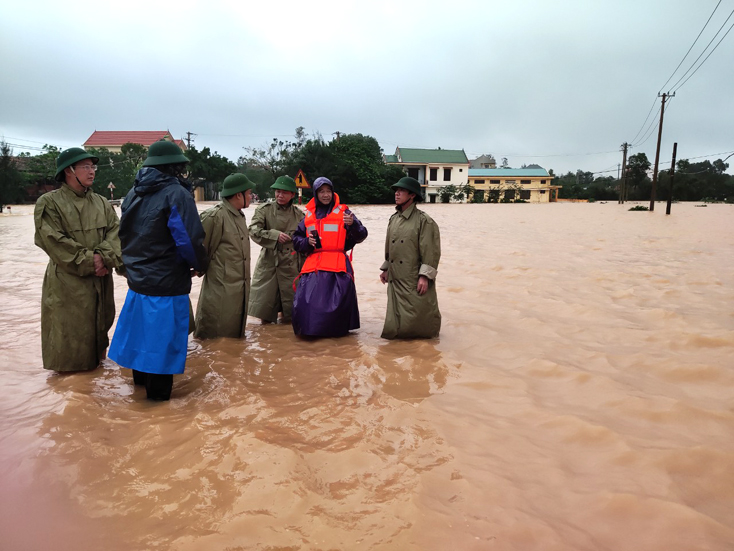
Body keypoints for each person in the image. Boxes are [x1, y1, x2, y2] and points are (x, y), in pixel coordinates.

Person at [108, 141, 208, 401]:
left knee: (141, 343)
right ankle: (158, 408)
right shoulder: (176, 194)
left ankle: (140, 403)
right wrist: (200, 264)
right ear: (173, 167)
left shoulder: (133, 193)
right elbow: (188, 238)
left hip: (138, 282)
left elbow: (124, 235)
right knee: (162, 349)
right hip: (166, 283)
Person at [33, 147, 123, 372]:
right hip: (68, 285)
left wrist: (104, 257)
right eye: (86, 166)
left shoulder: (102, 203)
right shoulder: (49, 203)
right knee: (69, 347)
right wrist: (92, 262)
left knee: (100, 337)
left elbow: (117, 234)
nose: (92, 171)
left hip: (101, 283)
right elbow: (53, 241)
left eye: (93, 166)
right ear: (69, 171)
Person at [291, 177, 367, 337]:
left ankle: (335, 335)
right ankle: (309, 332)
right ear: (316, 194)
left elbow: (361, 235)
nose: (325, 195)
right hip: (314, 265)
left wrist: (353, 224)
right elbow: (296, 240)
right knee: (306, 301)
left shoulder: (346, 213)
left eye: (328, 191)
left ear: (333, 193)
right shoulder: (308, 216)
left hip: (337, 266)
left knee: (338, 303)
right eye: (321, 192)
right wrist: (306, 241)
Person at [380, 177, 441, 339]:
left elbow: (431, 251)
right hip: (395, 276)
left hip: (412, 276)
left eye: (401, 191)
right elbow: (390, 247)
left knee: (418, 315)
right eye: (396, 191)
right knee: (395, 317)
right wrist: (386, 268)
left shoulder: (424, 221)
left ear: (412, 195)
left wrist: (425, 276)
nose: (397, 194)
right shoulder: (394, 219)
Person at [194, 173, 254, 339]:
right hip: (220, 291)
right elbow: (199, 251)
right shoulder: (215, 216)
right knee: (214, 339)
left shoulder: (238, 215)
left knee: (232, 344)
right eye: (248, 193)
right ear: (238, 195)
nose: (251, 197)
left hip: (238, 292)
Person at [248, 176, 305, 323]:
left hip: (292, 264)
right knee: (265, 312)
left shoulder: (300, 215)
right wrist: (274, 235)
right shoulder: (264, 210)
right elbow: (253, 230)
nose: (280, 195)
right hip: (269, 263)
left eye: (284, 192)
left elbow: (307, 239)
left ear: (293, 194)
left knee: (291, 313)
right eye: (277, 192)